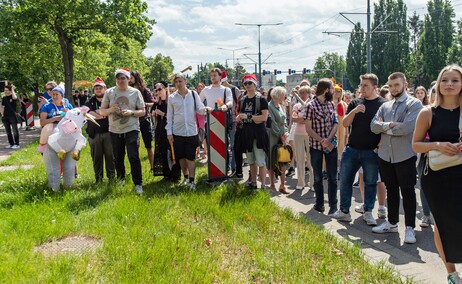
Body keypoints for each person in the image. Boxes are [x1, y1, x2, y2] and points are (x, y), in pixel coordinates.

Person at [413, 64, 462, 284]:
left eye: (455, 80)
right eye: (445, 80)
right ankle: (451, 272)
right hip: (437, 176)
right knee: (442, 222)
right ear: (438, 84)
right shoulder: (427, 112)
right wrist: (438, 145)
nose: (449, 84)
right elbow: (415, 145)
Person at [370, 72, 423, 244]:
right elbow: (373, 126)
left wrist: (384, 127)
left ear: (405, 84)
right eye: (391, 85)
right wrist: (391, 125)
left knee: (407, 191)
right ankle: (392, 223)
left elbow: (407, 128)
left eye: (397, 85)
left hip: (405, 155)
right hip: (386, 155)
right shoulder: (385, 106)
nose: (393, 89)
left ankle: (409, 228)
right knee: (391, 189)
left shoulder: (414, 104)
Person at [330, 73, 387, 225]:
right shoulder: (355, 102)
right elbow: (345, 124)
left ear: (375, 87)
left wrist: (379, 146)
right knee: (345, 180)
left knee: (370, 182)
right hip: (352, 149)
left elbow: (386, 129)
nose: (362, 88)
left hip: (371, 151)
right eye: (361, 85)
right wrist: (354, 111)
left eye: (365, 85)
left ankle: (368, 212)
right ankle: (344, 211)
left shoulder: (383, 104)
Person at [99, 68, 146, 195]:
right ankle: (121, 180)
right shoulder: (109, 92)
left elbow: (143, 111)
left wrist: (131, 112)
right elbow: (101, 111)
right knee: (118, 157)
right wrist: (110, 110)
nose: (120, 81)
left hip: (132, 128)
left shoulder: (135, 92)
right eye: (118, 78)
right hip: (115, 130)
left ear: (128, 79)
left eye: (123, 78)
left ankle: (138, 184)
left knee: (133, 156)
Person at [166, 73, 208, 190]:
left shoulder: (194, 95)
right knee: (181, 157)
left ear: (185, 81)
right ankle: (185, 177)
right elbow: (169, 116)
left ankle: (192, 181)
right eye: (176, 82)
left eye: (180, 81)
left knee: (190, 157)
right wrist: (169, 132)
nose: (178, 84)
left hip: (191, 131)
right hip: (177, 132)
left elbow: (199, 109)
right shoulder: (172, 98)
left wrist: (207, 109)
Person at [305, 78, 338, 214]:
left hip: (331, 145)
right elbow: (308, 128)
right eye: (332, 89)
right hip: (316, 147)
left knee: (333, 177)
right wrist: (321, 140)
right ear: (326, 90)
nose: (333, 92)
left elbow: (335, 123)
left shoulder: (331, 104)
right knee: (318, 177)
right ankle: (319, 204)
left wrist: (329, 139)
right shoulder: (310, 106)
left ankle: (333, 206)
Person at [39, 84, 74, 192]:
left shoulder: (68, 106)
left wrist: (69, 114)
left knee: (69, 168)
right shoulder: (47, 106)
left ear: (62, 96)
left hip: (67, 140)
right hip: (52, 141)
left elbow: (75, 121)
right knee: (54, 169)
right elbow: (42, 122)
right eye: (53, 94)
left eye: (57, 94)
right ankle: (54, 190)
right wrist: (55, 118)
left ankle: (69, 188)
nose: (54, 96)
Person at [237, 74, 269, 190]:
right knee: (250, 160)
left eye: (250, 83)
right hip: (247, 133)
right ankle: (254, 182)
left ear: (255, 84)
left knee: (260, 160)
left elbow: (264, 117)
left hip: (258, 133)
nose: (247, 86)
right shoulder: (243, 99)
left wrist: (248, 116)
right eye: (245, 83)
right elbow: (241, 113)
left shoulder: (261, 99)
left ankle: (264, 184)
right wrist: (240, 117)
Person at [85, 77, 115, 183]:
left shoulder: (110, 100)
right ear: (94, 90)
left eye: (100, 88)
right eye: (96, 88)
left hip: (109, 133)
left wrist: (98, 113)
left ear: (105, 89)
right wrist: (103, 114)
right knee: (96, 158)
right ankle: (98, 179)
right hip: (94, 134)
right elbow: (88, 114)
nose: (98, 90)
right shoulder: (89, 101)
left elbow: (111, 112)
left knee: (110, 156)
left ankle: (111, 178)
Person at [152, 81, 180, 181]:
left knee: (172, 152)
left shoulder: (171, 101)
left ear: (165, 89)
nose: (158, 92)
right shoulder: (156, 103)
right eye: (156, 90)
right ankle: (166, 174)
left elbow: (174, 117)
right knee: (163, 151)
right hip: (160, 130)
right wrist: (154, 115)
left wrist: (163, 114)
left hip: (171, 130)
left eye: (160, 89)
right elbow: (154, 117)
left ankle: (175, 175)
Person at [413, 85, 432, 228]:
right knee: (424, 185)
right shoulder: (424, 111)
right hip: (423, 152)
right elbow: (416, 140)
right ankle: (426, 215)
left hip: (447, 156)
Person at [129, 70, 155, 171]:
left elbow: (153, 103)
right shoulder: (128, 91)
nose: (129, 80)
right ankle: (136, 169)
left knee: (148, 145)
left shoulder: (145, 90)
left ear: (136, 77)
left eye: (131, 77)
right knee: (134, 147)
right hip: (132, 121)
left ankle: (152, 167)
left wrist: (143, 104)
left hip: (144, 120)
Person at [266, 86, 289, 193]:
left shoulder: (280, 106)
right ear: (279, 95)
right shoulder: (269, 106)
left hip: (282, 136)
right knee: (272, 159)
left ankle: (282, 185)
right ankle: (271, 184)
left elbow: (284, 122)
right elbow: (272, 123)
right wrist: (281, 134)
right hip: (272, 137)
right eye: (283, 94)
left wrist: (285, 133)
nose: (285, 96)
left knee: (283, 159)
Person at [291, 86, 313, 190]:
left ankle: (312, 183)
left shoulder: (312, 104)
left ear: (309, 93)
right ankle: (301, 182)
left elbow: (312, 119)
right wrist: (305, 119)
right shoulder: (296, 105)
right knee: (299, 159)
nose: (303, 95)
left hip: (310, 134)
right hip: (298, 134)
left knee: (311, 159)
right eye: (301, 93)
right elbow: (294, 118)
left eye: (305, 93)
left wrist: (303, 119)